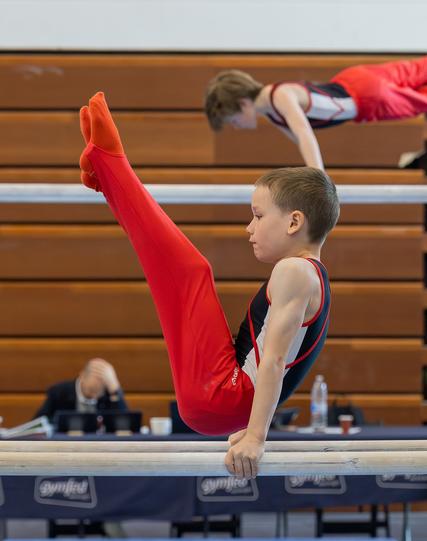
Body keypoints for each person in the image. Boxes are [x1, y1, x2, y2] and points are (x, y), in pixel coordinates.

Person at [79, 92, 339, 479]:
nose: (249, 228)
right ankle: (109, 175)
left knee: (187, 272)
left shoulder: (295, 272)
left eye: (257, 215)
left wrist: (256, 436)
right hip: (227, 397)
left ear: (293, 222)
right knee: (187, 271)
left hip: (224, 396)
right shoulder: (310, 273)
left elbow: (275, 362)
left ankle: (111, 167)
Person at [204, 57, 427, 170]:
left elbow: (304, 134)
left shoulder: (280, 96)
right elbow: (300, 141)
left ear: (243, 103)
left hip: (366, 98)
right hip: (355, 79)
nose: (236, 126)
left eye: (233, 120)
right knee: (419, 69)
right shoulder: (273, 111)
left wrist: (319, 178)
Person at [33, 358, 128, 422]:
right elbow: (39, 424)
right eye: (91, 391)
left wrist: (115, 389)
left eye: (99, 392)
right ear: (82, 376)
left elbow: (126, 426)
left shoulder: (109, 394)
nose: (94, 396)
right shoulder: (59, 393)